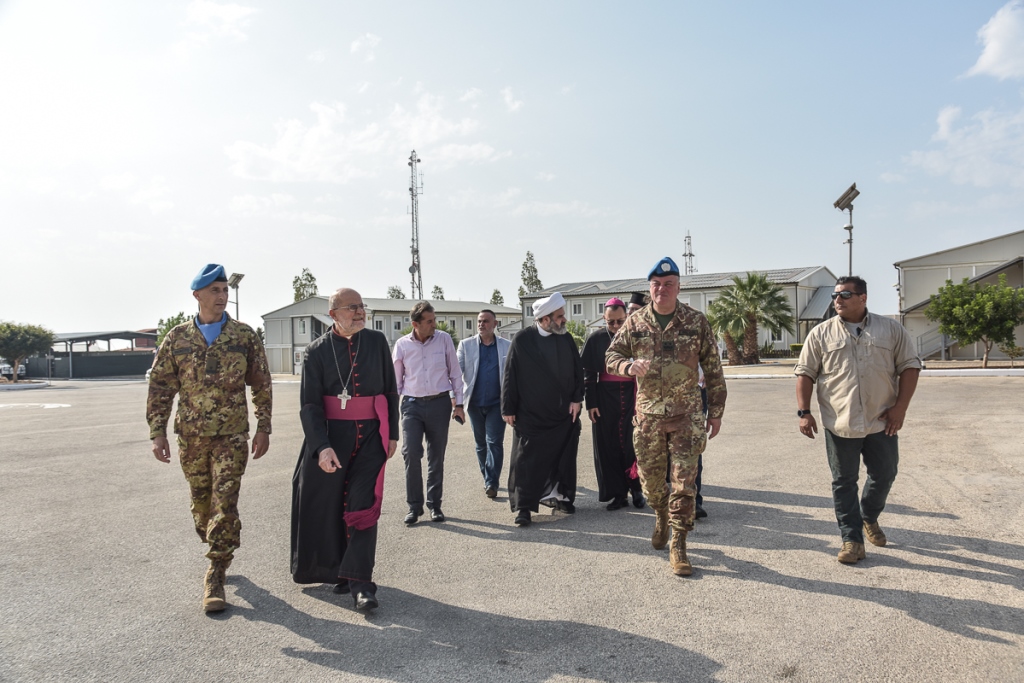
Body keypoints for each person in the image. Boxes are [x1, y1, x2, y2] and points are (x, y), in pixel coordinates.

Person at [147, 263, 272, 613]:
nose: (222, 295)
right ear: (197, 295)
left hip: (231, 435)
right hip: (191, 436)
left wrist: (264, 426)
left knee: (224, 502)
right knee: (201, 504)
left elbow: (261, 383)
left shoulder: (244, 336)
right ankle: (214, 540)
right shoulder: (178, 338)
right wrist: (157, 432)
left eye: (224, 290)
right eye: (215, 290)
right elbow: (160, 387)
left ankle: (216, 572)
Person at [606, 257, 726, 577]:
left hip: (686, 415)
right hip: (648, 419)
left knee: (684, 483)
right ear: (650, 288)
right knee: (651, 484)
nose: (662, 289)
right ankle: (659, 512)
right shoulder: (636, 323)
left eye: (668, 284)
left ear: (678, 287)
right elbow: (611, 357)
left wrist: (715, 412)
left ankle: (679, 542)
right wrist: (627, 367)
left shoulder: (696, 321)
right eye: (656, 285)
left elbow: (714, 370)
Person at [794, 276, 921, 565]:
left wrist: (900, 409)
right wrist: (804, 412)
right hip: (840, 423)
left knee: (885, 474)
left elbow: (910, 367)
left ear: (863, 298)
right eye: (835, 296)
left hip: (882, 419)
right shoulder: (821, 334)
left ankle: (868, 516)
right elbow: (805, 374)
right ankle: (851, 539)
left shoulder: (891, 330)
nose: (837, 300)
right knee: (843, 482)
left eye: (845, 294)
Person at [291, 288, 399, 611]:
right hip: (332, 438)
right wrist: (320, 447)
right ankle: (340, 570)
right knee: (332, 505)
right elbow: (310, 406)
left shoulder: (378, 343)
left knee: (362, 504)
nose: (360, 312)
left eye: (362, 307)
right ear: (333, 314)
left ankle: (362, 584)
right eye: (352, 308)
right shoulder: (315, 352)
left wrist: (392, 432)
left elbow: (391, 391)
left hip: (371, 437)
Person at [502, 292, 584, 526]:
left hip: (561, 413)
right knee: (526, 461)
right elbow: (510, 376)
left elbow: (578, 371)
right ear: (545, 319)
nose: (564, 320)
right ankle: (524, 508)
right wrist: (508, 408)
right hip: (531, 414)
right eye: (560, 317)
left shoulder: (566, 338)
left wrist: (577, 399)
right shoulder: (522, 340)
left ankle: (560, 497)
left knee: (562, 457)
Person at [392, 301, 465, 525]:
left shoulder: (443, 340)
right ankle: (414, 507)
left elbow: (455, 373)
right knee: (411, 453)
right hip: (412, 405)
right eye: (430, 321)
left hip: (439, 404)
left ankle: (435, 505)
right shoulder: (402, 345)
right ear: (416, 324)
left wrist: (459, 405)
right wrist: (390, 414)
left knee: (436, 455)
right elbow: (395, 382)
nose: (435, 324)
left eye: (435, 320)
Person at [580, 298, 644, 511]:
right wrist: (592, 403)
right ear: (604, 319)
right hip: (605, 398)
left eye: (620, 322)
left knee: (633, 445)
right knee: (610, 446)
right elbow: (588, 374)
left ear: (627, 317)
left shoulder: (638, 336)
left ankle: (637, 489)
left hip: (633, 395)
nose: (616, 327)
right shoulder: (596, 338)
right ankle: (618, 494)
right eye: (611, 323)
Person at [457, 309, 512, 498]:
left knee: (494, 442)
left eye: (486, 321)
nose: (481, 324)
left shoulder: (507, 346)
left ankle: (491, 482)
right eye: (479, 321)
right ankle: (488, 476)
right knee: (481, 444)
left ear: (495, 324)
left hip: (497, 404)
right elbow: (457, 374)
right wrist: (456, 403)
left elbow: (513, 375)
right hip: (474, 403)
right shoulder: (466, 345)